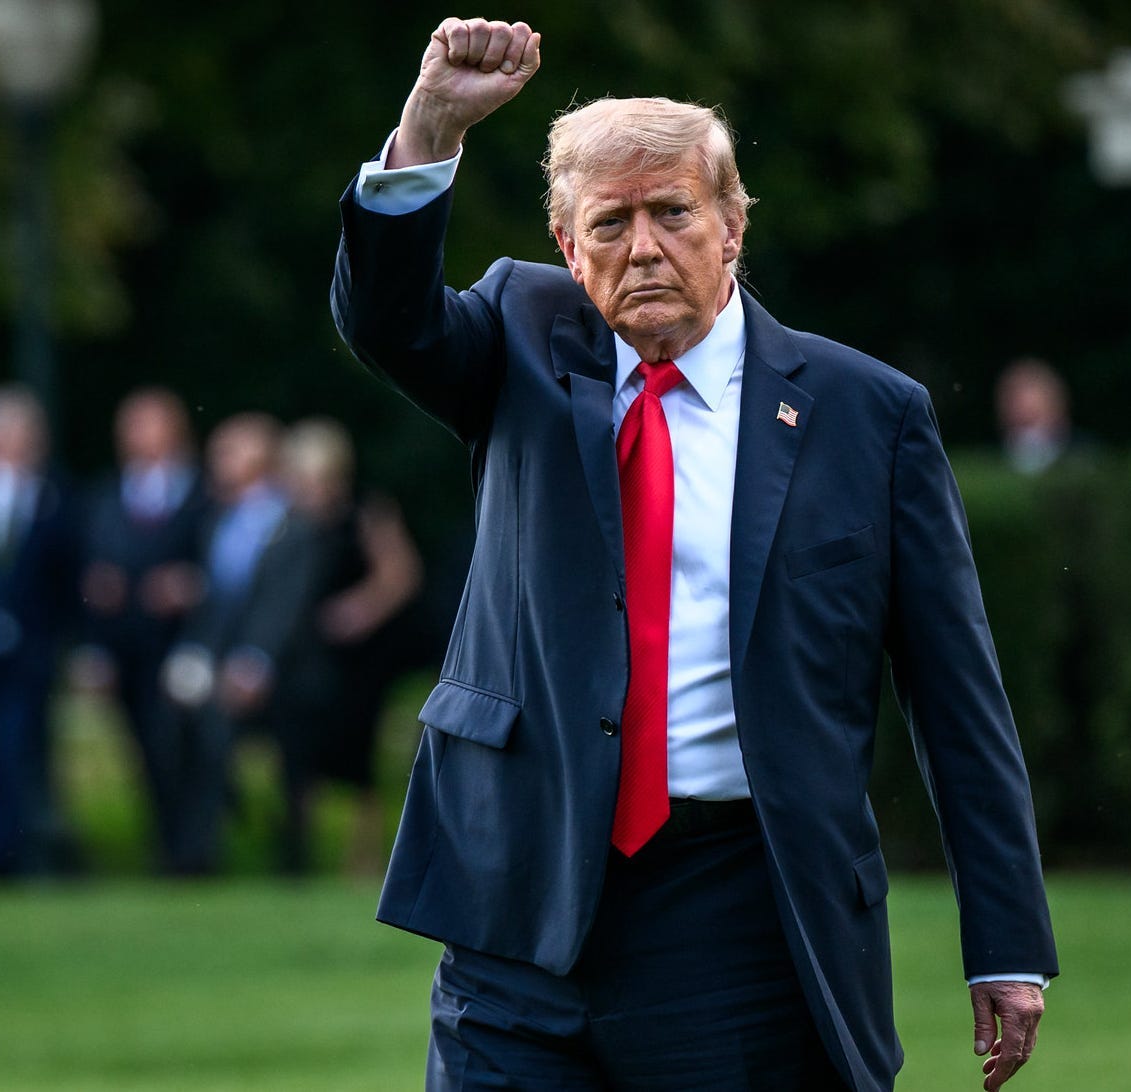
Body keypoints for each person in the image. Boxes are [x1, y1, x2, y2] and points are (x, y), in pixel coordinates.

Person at [332, 18, 1056, 1092]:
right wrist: (430, 129)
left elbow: (957, 694)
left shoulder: (866, 415)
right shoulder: (519, 339)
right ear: (568, 248)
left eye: (672, 213)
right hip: (519, 900)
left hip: (743, 917)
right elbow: (388, 321)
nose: (644, 247)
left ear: (732, 227)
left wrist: (1005, 941)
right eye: (609, 223)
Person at [157, 412, 323, 874]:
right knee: (175, 724)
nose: (218, 458)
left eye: (230, 449)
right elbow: (214, 603)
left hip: (287, 669)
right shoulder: (217, 521)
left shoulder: (295, 524)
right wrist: (191, 655)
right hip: (222, 664)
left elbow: (287, 604)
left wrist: (256, 661)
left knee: (278, 744)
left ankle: (291, 851)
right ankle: (194, 847)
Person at [276, 417, 424, 875]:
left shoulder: (366, 511)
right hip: (309, 654)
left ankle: (364, 859)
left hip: (361, 655)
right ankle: (301, 854)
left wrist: (360, 610)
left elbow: (400, 574)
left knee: (359, 755)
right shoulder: (289, 520)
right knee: (304, 752)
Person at [73, 387, 208, 869]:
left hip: (184, 643)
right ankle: (169, 848)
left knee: (182, 746)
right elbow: (89, 563)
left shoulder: (202, 492)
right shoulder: (106, 494)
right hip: (127, 644)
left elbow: (220, 566)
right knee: (145, 751)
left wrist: (191, 585)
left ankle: (192, 851)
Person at [0, 386, 76, 877]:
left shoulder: (54, 495)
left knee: (19, 750)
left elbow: (67, 577)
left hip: (31, 651)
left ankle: (15, 854)